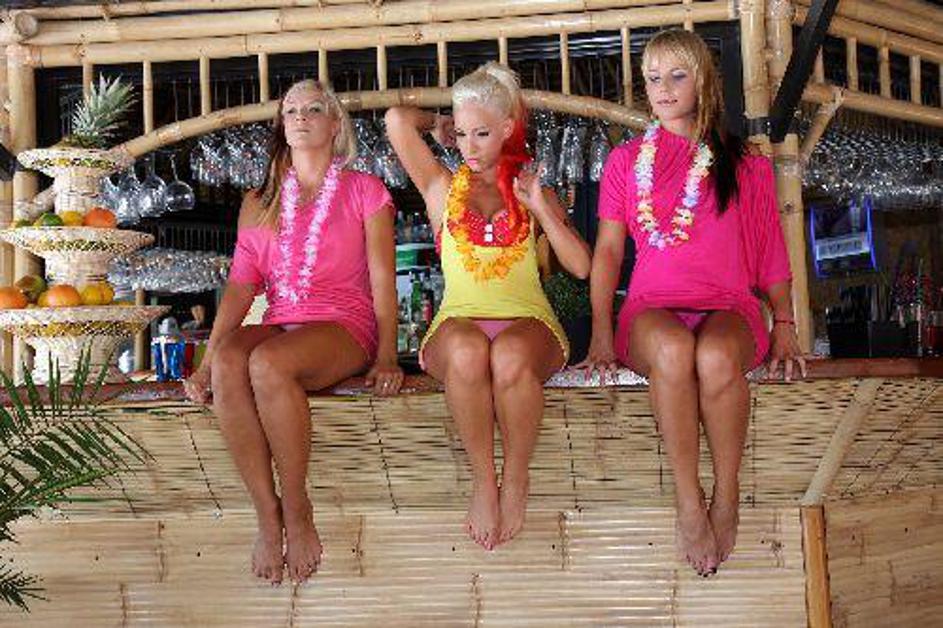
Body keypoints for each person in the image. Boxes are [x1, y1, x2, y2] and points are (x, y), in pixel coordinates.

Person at [582, 30, 806, 576]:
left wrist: (784, 322)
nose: (663, 88)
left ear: (703, 80)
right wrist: (601, 331)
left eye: (677, 76)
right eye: (653, 78)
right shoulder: (624, 161)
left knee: (714, 356)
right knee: (675, 350)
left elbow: (770, 248)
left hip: (730, 306)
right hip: (650, 309)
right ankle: (689, 499)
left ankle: (726, 496)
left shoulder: (745, 163)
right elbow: (608, 252)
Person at [183, 79, 403, 585]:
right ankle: (268, 514)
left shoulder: (365, 190)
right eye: (291, 111)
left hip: (345, 323)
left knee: (268, 363)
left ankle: (298, 507)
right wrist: (208, 361)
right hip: (281, 319)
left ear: (335, 124)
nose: (300, 117)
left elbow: (383, 281)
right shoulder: (259, 201)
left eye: (314, 109)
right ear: (282, 126)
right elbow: (241, 289)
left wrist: (388, 355)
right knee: (233, 358)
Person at [385, 63, 591, 550]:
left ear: (507, 129)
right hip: (456, 325)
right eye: (461, 134)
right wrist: (439, 122)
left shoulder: (532, 189)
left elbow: (581, 266)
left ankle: (515, 478)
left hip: (530, 324)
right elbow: (396, 119)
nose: (469, 147)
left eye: (481, 133)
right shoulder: (440, 187)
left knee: (509, 355)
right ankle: (484, 481)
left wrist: (540, 209)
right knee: (469, 349)